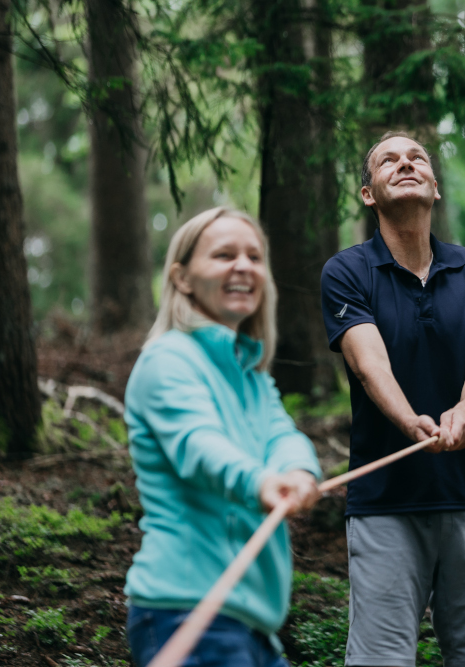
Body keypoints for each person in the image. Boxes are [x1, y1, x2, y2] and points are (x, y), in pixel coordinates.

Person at [321, 131, 465, 667]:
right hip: (384, 504)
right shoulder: (345, 272)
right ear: (369, 194)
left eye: (417, 159)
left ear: (434, 188)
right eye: (389, 160)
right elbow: (369, 364)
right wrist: (413, 422)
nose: (405, 164)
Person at [124, 206, 323, 667]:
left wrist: (297, 469)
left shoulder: (250, 373)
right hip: (186, 611)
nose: (243, 267)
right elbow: (198, 446)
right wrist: (259, 483)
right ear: (183, 278)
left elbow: (282, 435)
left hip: (251, 625)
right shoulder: (166, 360)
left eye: (254, 257)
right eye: (224, 255)